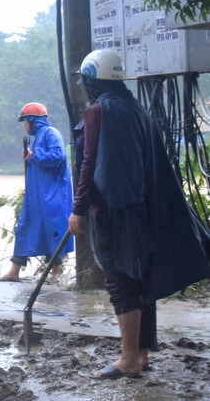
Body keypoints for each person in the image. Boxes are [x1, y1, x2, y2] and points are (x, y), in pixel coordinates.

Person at [68, 49, 210, 379]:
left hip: (113, 211)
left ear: (91, 80)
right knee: (141, 280)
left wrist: (77, 209)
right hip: (140, 209)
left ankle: (129, 358)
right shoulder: (137, 109)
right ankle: (141, 355)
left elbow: (89, 163)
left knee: (121, 282)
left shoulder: (98, 111)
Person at [0, 102, 74, 283]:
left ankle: (57, 271)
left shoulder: (51, 133)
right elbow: (37, 171)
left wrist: (34, 155)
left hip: (52, 195)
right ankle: (14, 270)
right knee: (24, 227)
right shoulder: (37, 138)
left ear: (32, 120)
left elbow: (57, 157)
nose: (24, 125)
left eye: (25, 121)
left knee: (52, 231)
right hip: (37, 195)